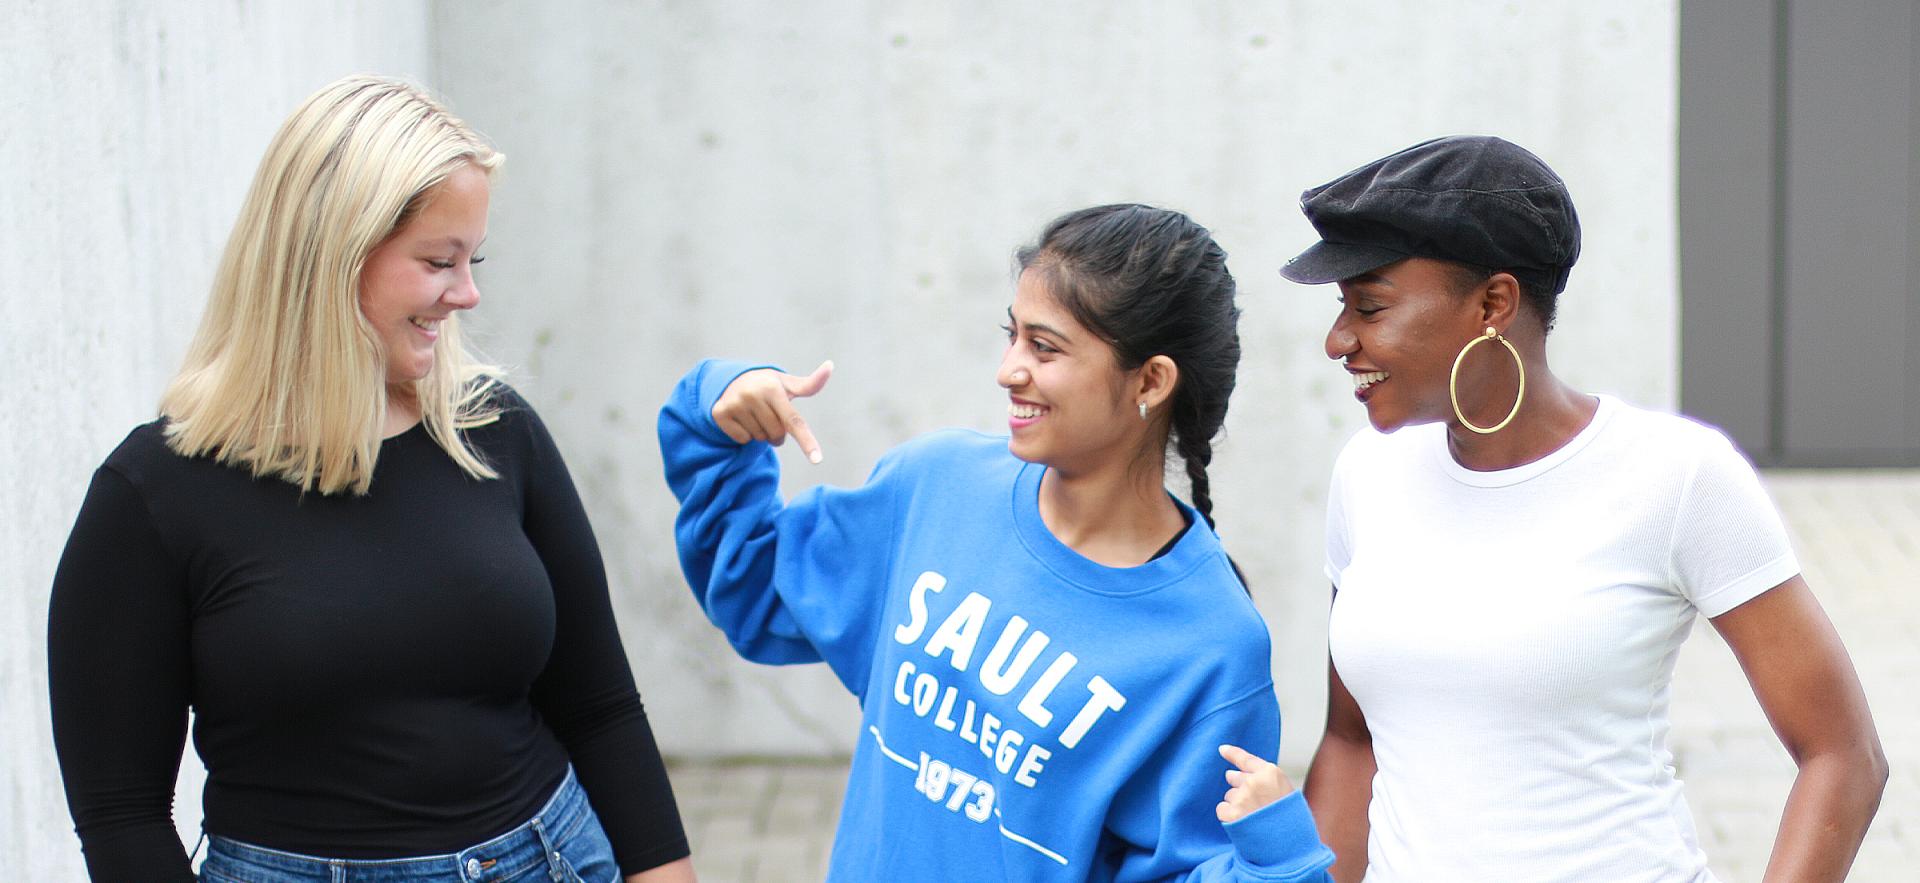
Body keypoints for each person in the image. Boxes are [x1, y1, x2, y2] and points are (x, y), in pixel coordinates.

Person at [47, 75, 695, 883]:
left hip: (550, 858)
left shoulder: (494, 430)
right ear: (331, 255)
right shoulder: (154, 492)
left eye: (473, 258)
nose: (467, 293)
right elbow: (121, 813)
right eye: (438, 261)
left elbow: (600, 708)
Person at [1269, 135, 1887, 882]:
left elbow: (1843, 756)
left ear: (1494, 303)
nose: (1339, 339)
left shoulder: (1675, 476)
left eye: (1369, 305)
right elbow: (1352, 741)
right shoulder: (1367, 474)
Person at [658, 204, 1335, 881]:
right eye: (1011, 336)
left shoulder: (1211, 644)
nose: (1009, 369)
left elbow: (1180, 870)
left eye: (1045, 348)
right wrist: (720, 420)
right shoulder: (934, 486)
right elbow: (753, 587)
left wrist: (1279, 862)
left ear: (1150, 381)